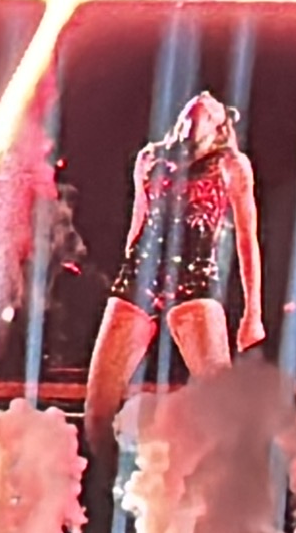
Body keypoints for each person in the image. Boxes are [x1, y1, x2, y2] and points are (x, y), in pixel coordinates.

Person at [82, 92, 266, 445]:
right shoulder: (150, 158)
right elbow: (138, 223)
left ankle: (230, 476)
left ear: (219, 125)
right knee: (97, 409)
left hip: (193, 281)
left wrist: (252, 314)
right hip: (139, 277)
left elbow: (247, 238)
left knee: (221, 408)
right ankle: (102, 476)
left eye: (211, 107)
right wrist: (124, 279)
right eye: (196, 102)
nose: (203, 97)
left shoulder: (230, 164)